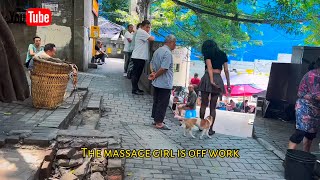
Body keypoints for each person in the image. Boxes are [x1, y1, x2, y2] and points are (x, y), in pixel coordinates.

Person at [198, 40, 231, 135]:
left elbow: (209, 67)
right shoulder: (223, 54)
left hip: (208, 78)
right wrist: (228, 84)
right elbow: (226, 70)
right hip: (218, 78)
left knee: (203, 104)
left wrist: (211, 80)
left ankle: (201, 125)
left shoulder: (207, 53)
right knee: (213, 107)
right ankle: (210, 128)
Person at [288, 57, 320, 152]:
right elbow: (317, 96)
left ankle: (305, 158)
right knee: (300, 132)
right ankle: (289, 157)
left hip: (316, 108)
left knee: (310, 135)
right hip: (304, 106)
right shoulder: (313, 75)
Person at [148, 35, 176, 130]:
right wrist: (155, 75)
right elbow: (164, 68)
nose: (175, 46)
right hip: (164, 82)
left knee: (156, 101)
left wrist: (153, 73)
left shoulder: (158, 50)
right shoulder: (167, 53)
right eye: (174, 43)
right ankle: (159, 122)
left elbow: (151, 63)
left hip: (156, 82)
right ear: (171, 42)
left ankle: (156, 119)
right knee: (163, 103)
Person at [131, 20, 155, 95]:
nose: (148, 29)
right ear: (142, 26)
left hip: (139, 56)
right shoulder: (141, 32)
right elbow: (152, 39)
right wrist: (148, 34)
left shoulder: (141, 31)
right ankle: (134, 90)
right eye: (147, 27)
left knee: (137, 74)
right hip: (138, 57)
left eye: (149, 27)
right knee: (136, 74)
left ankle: (136, 88)